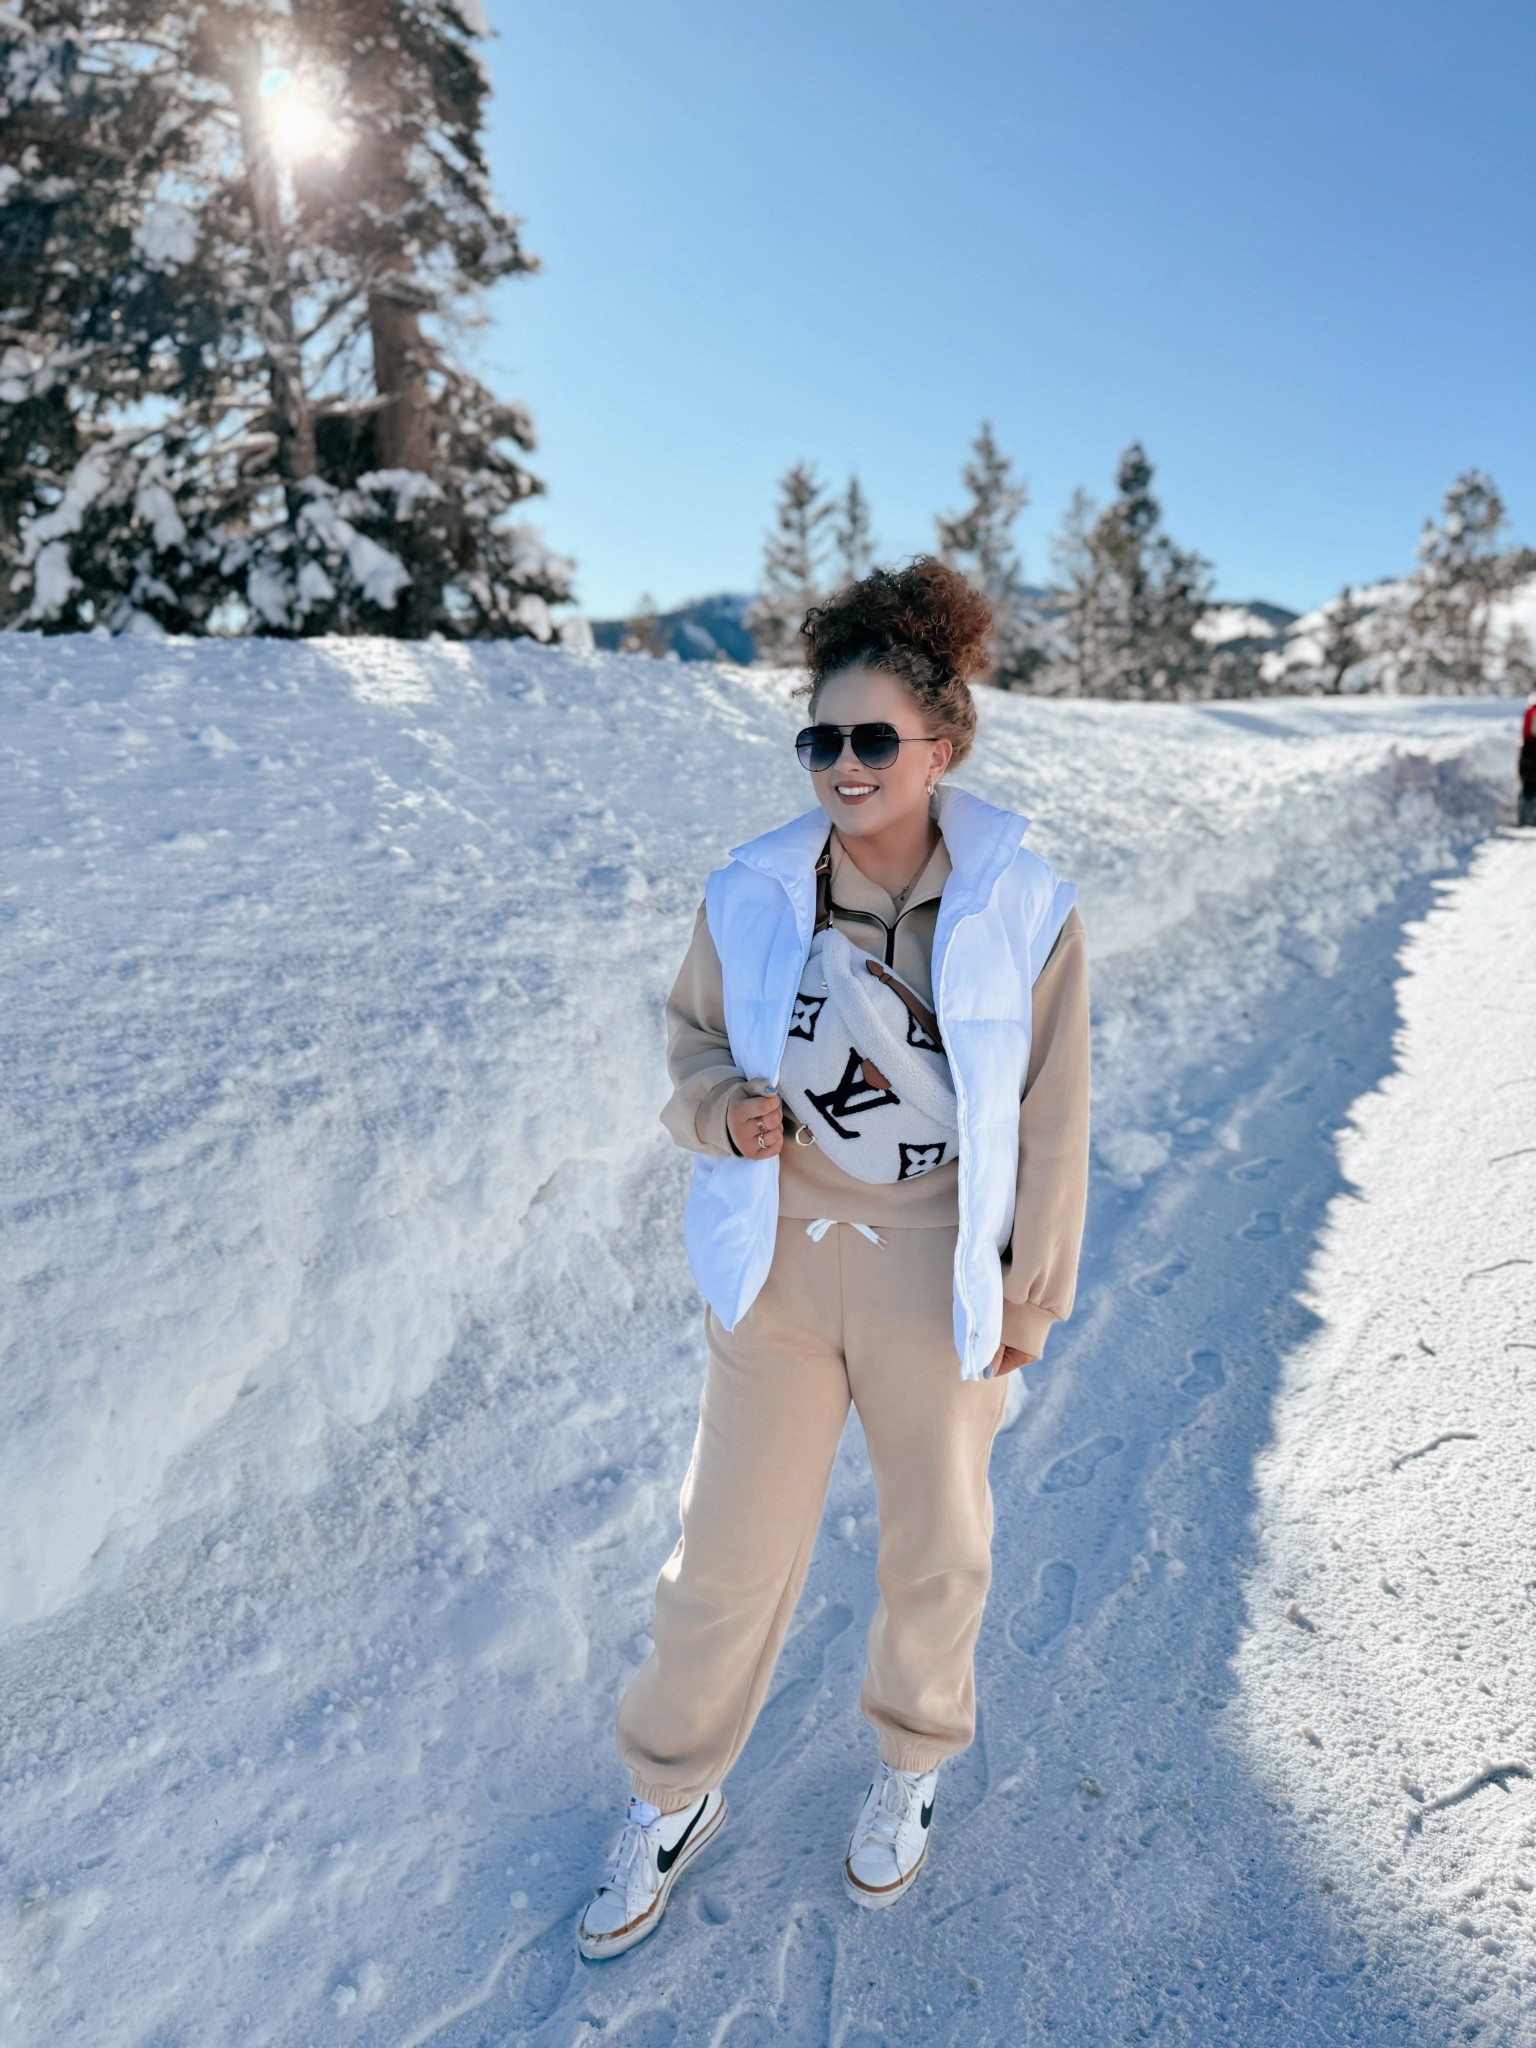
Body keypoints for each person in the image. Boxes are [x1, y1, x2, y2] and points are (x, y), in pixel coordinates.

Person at [575, 556, 1091, 1960]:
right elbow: (688, 1038)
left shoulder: (1023, 908)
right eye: (823, 739)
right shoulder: (750, 889)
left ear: (945, 743)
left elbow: (1055, 1117)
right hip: (783, 1261)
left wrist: (1030, 1292)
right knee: (725, 1555)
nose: (845, 766)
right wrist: (718, 1109)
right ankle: (671, 1791)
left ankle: (913, 1762)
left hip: (937, 1268)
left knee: (937, 1543)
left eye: (874, 739)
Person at [1519, 694, 1536, 828]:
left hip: (1527, 749)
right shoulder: (1532, 710)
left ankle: (1525, 817)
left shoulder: (1530, 709)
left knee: (1527, 785)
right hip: (1530, 750)